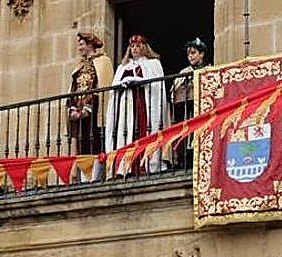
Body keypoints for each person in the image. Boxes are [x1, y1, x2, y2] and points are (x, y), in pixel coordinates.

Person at [106, 35, 166, 173]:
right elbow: (113, 87)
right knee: (125, 133)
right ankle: (125, 168)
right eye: (132, 46)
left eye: (137, 46)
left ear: (144, 47)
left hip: (143, 104)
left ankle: (143, 166)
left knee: (143, 131)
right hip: (125, 105)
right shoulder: (123, 67)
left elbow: (157, 84)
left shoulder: (153, 64)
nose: (134, 49)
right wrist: (122, 83)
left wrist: (138, 80)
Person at [69, 32, 115, 160]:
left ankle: (95, 175)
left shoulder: (103, 61)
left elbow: (100, 86)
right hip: (79, 110)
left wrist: (88, 108)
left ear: (90, 45)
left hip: (95, 111)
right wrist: (73, 107)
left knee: (95, 143)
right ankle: (83, 176)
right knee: (81, 145)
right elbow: (74, 87)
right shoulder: (80, 65)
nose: (79, 48)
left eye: (82, 44)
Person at [170, 38, 209, 166]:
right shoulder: (184, 72)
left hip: (203, 109)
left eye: (193, 53)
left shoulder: (209, 70)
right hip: (187, 109)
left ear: (201, 54)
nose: (190, 56)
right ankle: (185, 160)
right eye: (188, 54)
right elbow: (174, 92)